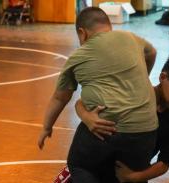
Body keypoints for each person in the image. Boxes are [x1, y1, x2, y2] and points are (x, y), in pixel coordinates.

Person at [38, 7, 158, 183]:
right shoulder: (130, 37)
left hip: (106, 131)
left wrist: (46, 128)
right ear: (108, 26)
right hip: (146, 133)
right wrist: (142, 78)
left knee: (78, 165)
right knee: (127, 176)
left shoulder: (79, 56)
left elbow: (60, 97)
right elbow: (152, 52)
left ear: (82, 33)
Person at [73, 47, 169, 182]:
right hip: (93, 169)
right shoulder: (128, 93)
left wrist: (135, 177)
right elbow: (81, 103)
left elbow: (165, 163)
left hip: (128, 176)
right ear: (163, 77)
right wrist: (88, 118)